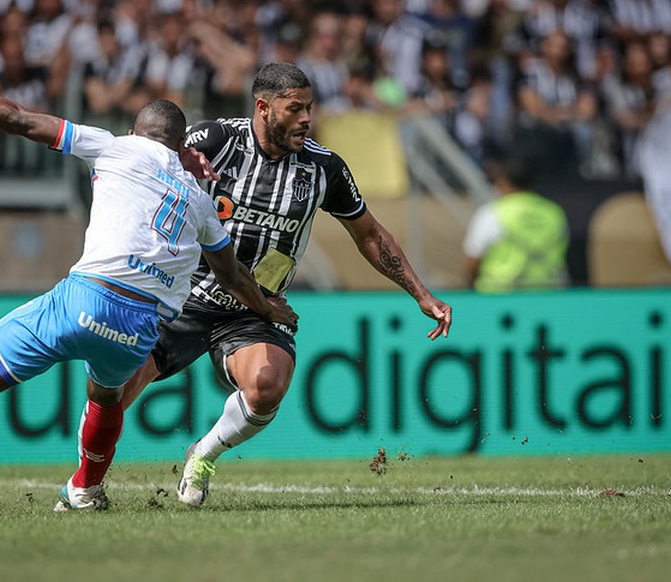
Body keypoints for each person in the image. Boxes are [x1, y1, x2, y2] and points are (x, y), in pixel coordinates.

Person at [0, 22, 296, 519]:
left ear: (135, 132)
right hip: (140, 331)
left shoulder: (112, 146)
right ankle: (85, 488)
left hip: (86, 299)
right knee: (106, 396)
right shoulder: (199, 199)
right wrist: (268, 307)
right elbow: (233, 276)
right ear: (179, 145)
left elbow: (18, 118)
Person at [72, 62, 453, 508]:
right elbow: (145, 166)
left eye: (310, 108)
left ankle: (204, 455)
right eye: (296, 109)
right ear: (263, 108)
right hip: (181, 297)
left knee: (268, 383)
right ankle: (84, 486)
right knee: (115, 387)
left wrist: (421, 294)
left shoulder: (323, 168)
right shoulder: (214, 140)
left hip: (256, 307)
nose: (307, 118)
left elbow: (369, 235)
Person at [462, 157, 570, 292]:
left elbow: (472, 261)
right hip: (547, 293)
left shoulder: (492, 213)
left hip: (501, 297)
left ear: (503, 181)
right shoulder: (554, 211)